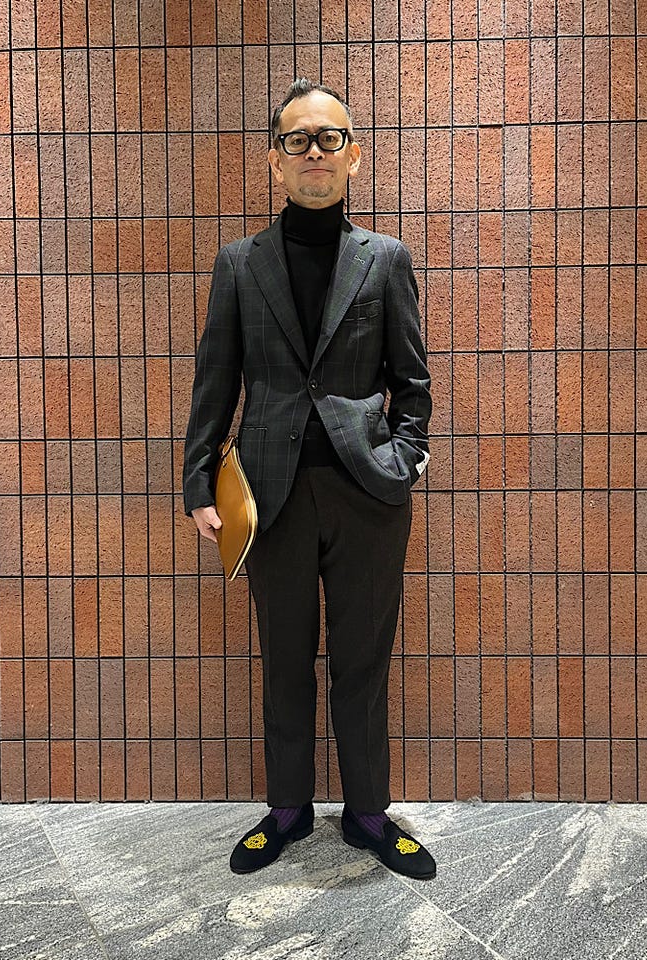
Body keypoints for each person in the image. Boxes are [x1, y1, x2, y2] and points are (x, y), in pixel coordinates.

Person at [182, 79, 435, 880]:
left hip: (369, 499)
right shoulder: (239, 263)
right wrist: (198, 483)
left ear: (353, 156)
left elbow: (413, 384)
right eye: (298, 140)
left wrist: (404, 461)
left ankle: (368, 813)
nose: (315, 152)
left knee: (363, 662)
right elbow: (216, 379)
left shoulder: (385, 259)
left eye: (330, 138)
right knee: (284, 660)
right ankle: (287, 810)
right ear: (276, 161)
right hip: (271, 498)